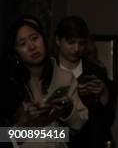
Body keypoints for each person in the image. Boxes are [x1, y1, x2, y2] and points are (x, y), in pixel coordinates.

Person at [0, 15, 88, 148]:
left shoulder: (64, 78)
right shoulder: (7, 83)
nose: (32, 47)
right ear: (16, 53)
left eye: (35, 38)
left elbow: (79, 127)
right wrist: (26, 123)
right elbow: (3, 137)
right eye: (22, 44)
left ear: (44, 40)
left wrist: (67, 110)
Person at [54, 16, 115, 148]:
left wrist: (104, 94)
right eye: (71, 42)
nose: (76, 49)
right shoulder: (48, 70)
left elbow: (107, 121)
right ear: (58, 41)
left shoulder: (95, 72)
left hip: (90, 141)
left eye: (81, 43)